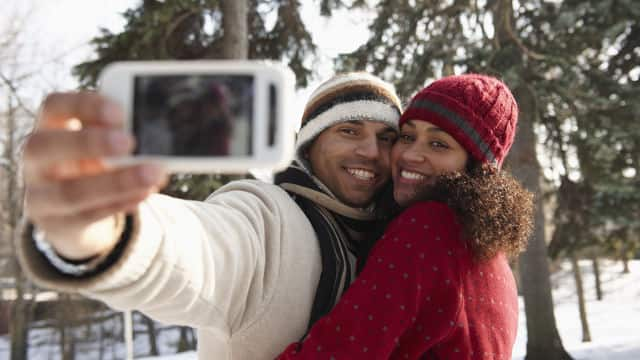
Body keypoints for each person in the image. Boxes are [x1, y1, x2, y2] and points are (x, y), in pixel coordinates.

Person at [18, 72, 402, 359]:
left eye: (386, 138)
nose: (370, 151)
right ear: (310, 146)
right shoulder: (272, 220)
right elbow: (201, 247)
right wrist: (103, 230)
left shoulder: (402, 244)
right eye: (350, 131)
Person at [277, 74, 534, 359]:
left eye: (438, 144)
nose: (411, 155)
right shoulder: (493, 258)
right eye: (407, 136)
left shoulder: (429, 227)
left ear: (476, 166)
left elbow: (339, 352)